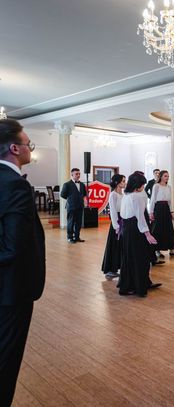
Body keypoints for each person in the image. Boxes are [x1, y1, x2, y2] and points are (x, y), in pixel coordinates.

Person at [0, 119, 46, 406]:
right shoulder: (15, 184)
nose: (31, 149)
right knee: (6, 362)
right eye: (29, 144)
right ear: (15, 148)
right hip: (11, 290)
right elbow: (14, 246)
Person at [118, 172, 160, 297]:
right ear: (137, 185)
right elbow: (140, 218)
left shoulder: (126, 195)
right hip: (135, 230)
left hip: (126, 228)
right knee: (140, 258)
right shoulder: (136, 197)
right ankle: (139, 286)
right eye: (142, 185)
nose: (143, 187)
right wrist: (148, 234)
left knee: (129, 257)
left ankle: (128, 285)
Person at [101, 174, 125, 280]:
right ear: (117, 183)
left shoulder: (123, 194)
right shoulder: (113, 195)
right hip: (117, 222)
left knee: (121, 245)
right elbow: (113, 212)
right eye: (123, 181)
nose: (125, 183)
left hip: (123, 220)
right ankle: (111, 269)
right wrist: (116, 227)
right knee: (114, 245)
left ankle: (120, 266)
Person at [149, 170, 174, 257]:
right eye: (165, 176)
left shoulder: (169, 187)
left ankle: (171, 248)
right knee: (157, 229)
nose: (167, 178)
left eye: (168, 176)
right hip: (158, 208)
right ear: (161, 177)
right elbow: (153, 199)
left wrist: (171, 211)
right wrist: (151, 212)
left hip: (166, 209)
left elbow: (170, 201)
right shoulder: (156, 186)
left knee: (169, 228)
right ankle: (157, 250)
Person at [60, 168, 87, 243]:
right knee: (70, 222)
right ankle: (70, 237)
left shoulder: (82, 184)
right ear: (72, 175)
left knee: (78, 223)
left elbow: (84, 194)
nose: (78, 175)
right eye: (76, 174)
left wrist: (84, 202)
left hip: (80, 206)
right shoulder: (67, 184)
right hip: (71, 207)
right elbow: (62, 195)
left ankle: (77, 237)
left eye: (79, 174)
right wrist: (71, 199)